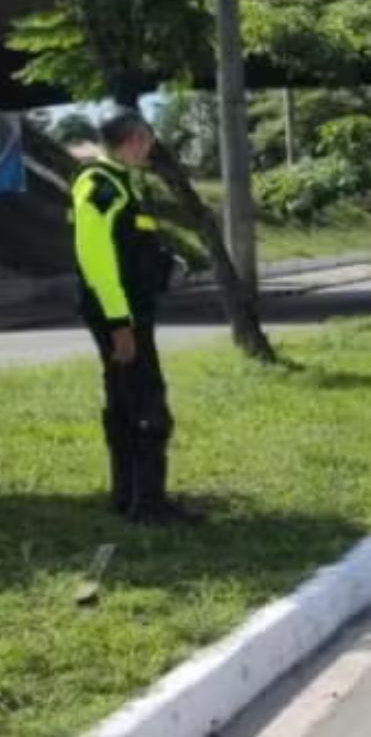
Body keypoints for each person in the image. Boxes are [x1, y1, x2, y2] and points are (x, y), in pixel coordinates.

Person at [72, 110, 199, 525]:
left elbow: (128, 248)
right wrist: (118, 324)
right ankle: (148, 505)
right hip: (119, 315)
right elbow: (97, 260)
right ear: (133, 140)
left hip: (129, 311)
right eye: (146, 139)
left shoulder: (122, 183)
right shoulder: (99, 184)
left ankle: (129, 494)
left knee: (125, 400)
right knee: (147, 405)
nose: (150, 146)